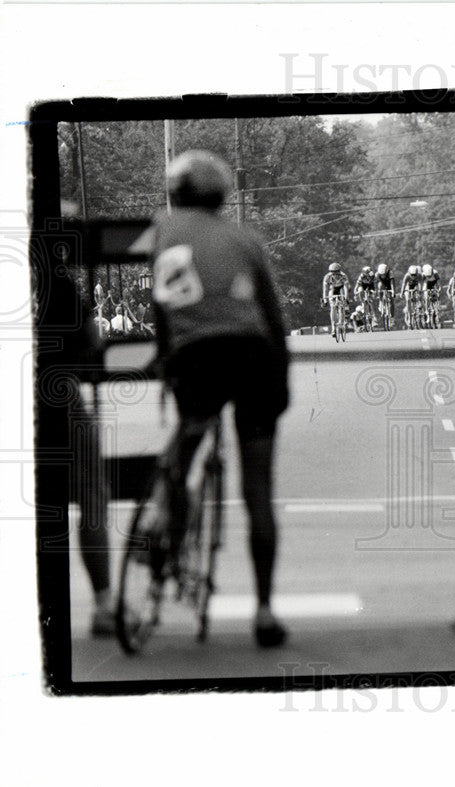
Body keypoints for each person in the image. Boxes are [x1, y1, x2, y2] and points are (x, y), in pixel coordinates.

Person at [149, 149, 290, 647]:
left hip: (196, 357)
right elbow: (273, 318)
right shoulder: (245, 238)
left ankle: (162, 518)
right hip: (251, 355)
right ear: (220, 195)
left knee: (185, 443)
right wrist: (282, 379)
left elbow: (163, 307)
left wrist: (168, 364)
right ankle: (266, 609)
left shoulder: (162, 231)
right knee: (258, 488)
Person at [321, 262, 351, 335]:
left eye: (337, 272)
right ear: (330, 272)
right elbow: (325, 289)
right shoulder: (327, 277)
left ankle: (341, 322)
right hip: (333, 289)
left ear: (339, 271)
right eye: (333, 272)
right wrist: (325, 300)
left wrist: (346, 299)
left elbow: (346, 288)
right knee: (332, 307)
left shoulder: (343, 276)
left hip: (341, 288)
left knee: (342, 305)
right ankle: (333, 328)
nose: (335, 274)